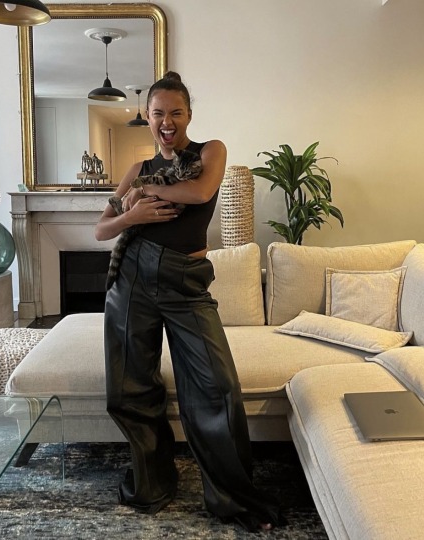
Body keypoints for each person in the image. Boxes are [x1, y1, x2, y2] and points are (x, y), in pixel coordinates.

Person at [95, 72, 284, 532]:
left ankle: (232, 497)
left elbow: (199, 192)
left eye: (176, 113)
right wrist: (132, 215)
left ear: (189, 116)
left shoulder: (209, 153)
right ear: (147, 116)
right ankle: (152, 485)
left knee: (216, 385)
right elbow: (101, 230)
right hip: (133, 278)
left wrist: (147, 193)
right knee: (130, 387)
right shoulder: (135, 169)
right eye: (158, 113)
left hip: (186, 283)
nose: (167, 122)